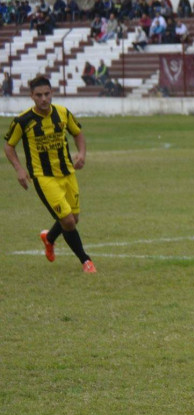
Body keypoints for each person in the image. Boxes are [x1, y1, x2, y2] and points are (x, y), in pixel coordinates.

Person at [4, 76, 96, 272]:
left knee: (74, 218)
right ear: (31, 96)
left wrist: (81, 153)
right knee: (68, 220)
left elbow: (77, 133)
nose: (44, 99)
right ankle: (86, 261)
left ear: (52, 93)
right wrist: (19, 169)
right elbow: (9, 146)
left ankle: (50, 238)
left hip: (67, 173)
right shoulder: (23, 120)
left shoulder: (62, 113)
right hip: (43, 177)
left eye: (47, 94)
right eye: (39, 95)